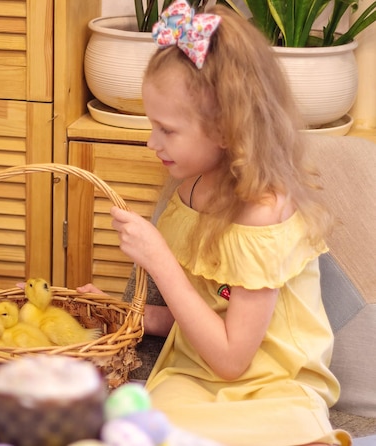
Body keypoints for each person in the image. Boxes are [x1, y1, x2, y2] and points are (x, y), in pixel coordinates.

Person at [78, 1, 351, 445]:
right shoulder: (190, 184)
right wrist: (129, 314)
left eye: (167, 129)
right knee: (142, 429)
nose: (152, 142)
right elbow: (207, 312)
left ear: (226, 129)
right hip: (194, 373)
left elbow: (232, 359)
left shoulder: (263, 212)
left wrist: (159, 259)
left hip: (273, 387)